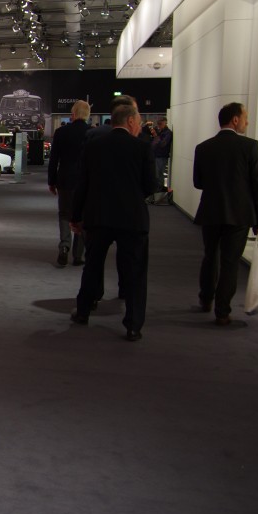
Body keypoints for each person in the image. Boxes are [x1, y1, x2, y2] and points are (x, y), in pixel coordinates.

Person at [70, 103, 156, 342]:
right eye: (139, 122)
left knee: (92, 266)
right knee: (135, 272)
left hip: (99, 216)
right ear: (130, 121)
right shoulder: (142, 147)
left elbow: (82, 184)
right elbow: (151, 186)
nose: (140, 126)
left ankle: (83, 311)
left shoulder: (94, 146)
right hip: (133, 219)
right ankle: (133, 325)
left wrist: (76, 217)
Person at [193, 102, 258, 325]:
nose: (247, 122)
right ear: (235, 120)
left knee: (210, 256)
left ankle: (206, 298)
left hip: (211, 211)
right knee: (230, 262)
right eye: (245, 117)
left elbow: (198, 182)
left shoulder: (203, 147)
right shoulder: (250, 146)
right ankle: (222, 311)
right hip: (239, 214)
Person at [48, 101, 91, 267]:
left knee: (65, 214)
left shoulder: (61, 132)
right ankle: (78, 255)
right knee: (82, 216)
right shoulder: (91, 133)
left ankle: (64, 246)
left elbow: (54, 160)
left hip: (65, 179)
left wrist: (52, 181)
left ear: (73, 113)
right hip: (85, 182)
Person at [150, 118, 172, 193]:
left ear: (165, 123)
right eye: (158, 124)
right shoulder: (160, 131)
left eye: (160, 124)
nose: (158, 126)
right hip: (156, 155)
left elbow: (162, 144)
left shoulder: (168, 133)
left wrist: (155, 136)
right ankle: (157, 191)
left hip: (161, 156)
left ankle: (159, 192)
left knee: (159, 175)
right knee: (156, 175)